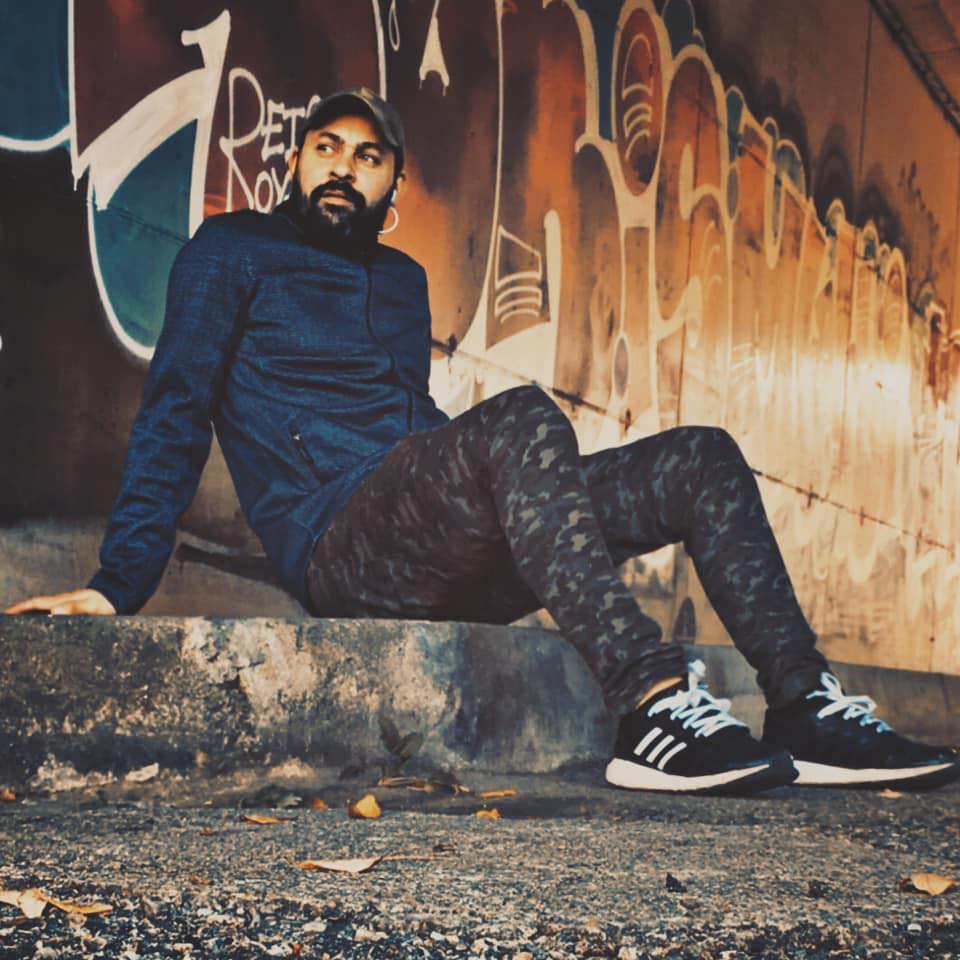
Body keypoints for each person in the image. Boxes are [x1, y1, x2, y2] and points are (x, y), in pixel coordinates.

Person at [6, 87, 957, 795]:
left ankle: (805, 705)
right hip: (343, 547)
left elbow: (412, 425)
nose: (342, 167)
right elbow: (175, 409)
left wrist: (502, 488)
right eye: (325, 148)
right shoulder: (231, 251)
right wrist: (116, 584)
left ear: (394, 182)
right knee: (521, 418)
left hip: (437, 537)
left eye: (367, 156)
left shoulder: (403, 281)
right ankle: (648, 705)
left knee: (700, 456)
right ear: (295, 161)